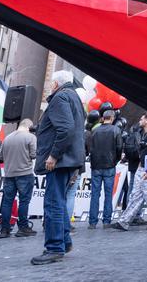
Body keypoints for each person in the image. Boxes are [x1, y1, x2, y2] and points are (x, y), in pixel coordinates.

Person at [31, 70, 85, 265]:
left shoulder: (61, 97)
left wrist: (53, 155)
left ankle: (54, 247)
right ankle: (64, 241)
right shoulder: (74, 97)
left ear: (55, 84)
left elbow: (65, 129)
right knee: (59, 202)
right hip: (69, 159)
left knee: (53, 203)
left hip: (61, 160)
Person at [0, 118, 37, 238]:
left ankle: (4, 230)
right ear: (29, 127)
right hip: (25, 173)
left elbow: (0, 157)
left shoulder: (7, 138)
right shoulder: (31, 137)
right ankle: (23, 228)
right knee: (24, 201)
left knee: (7, 202)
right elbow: (33, 155)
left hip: (9, 174)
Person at [87, 109, 122, 229]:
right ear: (112, 119)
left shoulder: (95, 131)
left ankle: (92, 222)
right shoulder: (116, 130)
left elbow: (91, 149)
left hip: (96, 166)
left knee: (95, 194)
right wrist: (115, 161)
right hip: (109, 165)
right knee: (108, 195)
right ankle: (106, 221)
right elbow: (119, 148)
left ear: (103, 118)